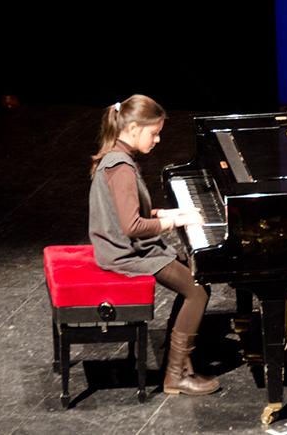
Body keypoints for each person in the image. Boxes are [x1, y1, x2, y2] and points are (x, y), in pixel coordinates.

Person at [88, 94, 219, 395]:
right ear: (133, 128)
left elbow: (133, 212)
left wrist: (170, 213)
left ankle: (179, 355)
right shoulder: (120, 168)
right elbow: (131, 226)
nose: (158, 140)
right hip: (124, 254)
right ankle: (175, 376)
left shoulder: (117, 157)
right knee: (197, 291)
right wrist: (175, 222)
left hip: (125, 246)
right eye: (154, 133)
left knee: (195, 277)